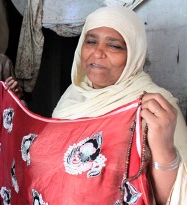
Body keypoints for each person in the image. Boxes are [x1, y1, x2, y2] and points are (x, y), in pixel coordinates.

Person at [52, 6, 187, 204]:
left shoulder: (155, 108)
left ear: (134, 53)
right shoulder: (73, 95)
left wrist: (164, 150)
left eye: (114, 46)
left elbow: (178, 196)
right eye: (90, 42)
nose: (98, 53)